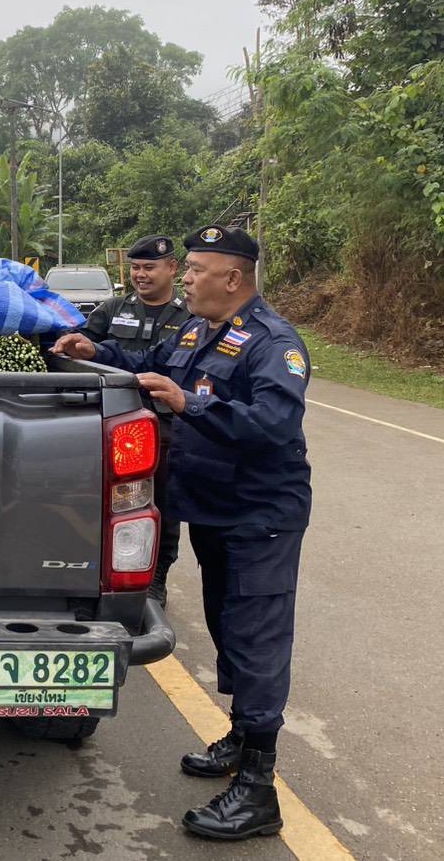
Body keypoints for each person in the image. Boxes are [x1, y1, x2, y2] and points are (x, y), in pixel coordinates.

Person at [52, 224, 310, 842]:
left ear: (233, 278)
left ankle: (259, 789)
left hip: (260, 517)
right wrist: (95, 351)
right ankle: (241, 737)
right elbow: (151, 366)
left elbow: (274, 422)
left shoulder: (274, 343)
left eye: (196, 270)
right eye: (187, 269)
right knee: (226, 626)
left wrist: (188, 404)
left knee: (256, 638)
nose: (186, 279)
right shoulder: (200, 330)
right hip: (216, 511)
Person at [76, 234, 189, 606]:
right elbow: (82, 346)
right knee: (111, 498)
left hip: (165, 425)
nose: (141, 275)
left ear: (172, 268)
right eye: (136, 267)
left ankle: (157, 575)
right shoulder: (113, 309)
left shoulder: (189, 316)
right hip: (112, 420)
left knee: (161, 501)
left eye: (149, 267)